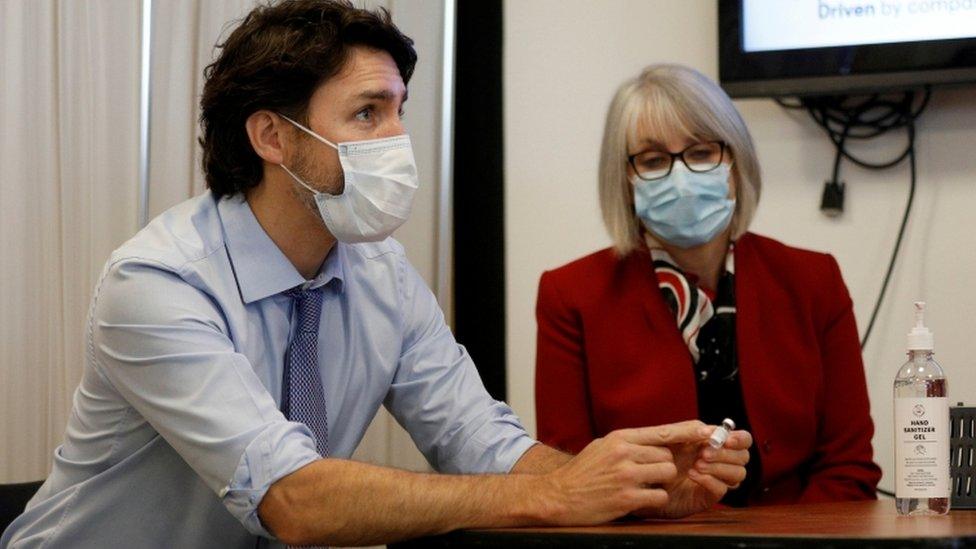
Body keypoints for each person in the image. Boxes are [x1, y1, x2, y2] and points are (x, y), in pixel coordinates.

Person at [0, 5, 753, 548]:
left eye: (398, 110)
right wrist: (560, 493)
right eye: (367, 113)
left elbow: (483, 441)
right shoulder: (158, 282)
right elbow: (294, 498)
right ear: (272, 136)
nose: (397, 139)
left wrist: (633, 491)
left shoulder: (377, 271)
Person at [535, 64, 881, 507]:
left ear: (735, 162)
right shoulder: (571, 295)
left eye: (701, 153)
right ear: (625, 178)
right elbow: (572, 479)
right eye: (654, 160)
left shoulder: (814, 281)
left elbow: (848, 468)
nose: (682, 178)